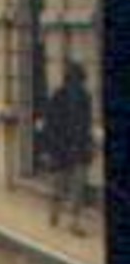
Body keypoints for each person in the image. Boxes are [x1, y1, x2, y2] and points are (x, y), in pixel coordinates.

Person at [42, 59, 94, 235]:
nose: (77, 85)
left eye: (79, 81)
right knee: (58, 186)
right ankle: (54, 211)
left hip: (79, 149)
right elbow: (49, 125)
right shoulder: (57, 97)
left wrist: (89, 145)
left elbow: (87, 125)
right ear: (68, 80)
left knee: (78, 188)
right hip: (60, 149)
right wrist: (50, 150)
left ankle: (74, 222)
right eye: (73, 80)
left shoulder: (86, 98)